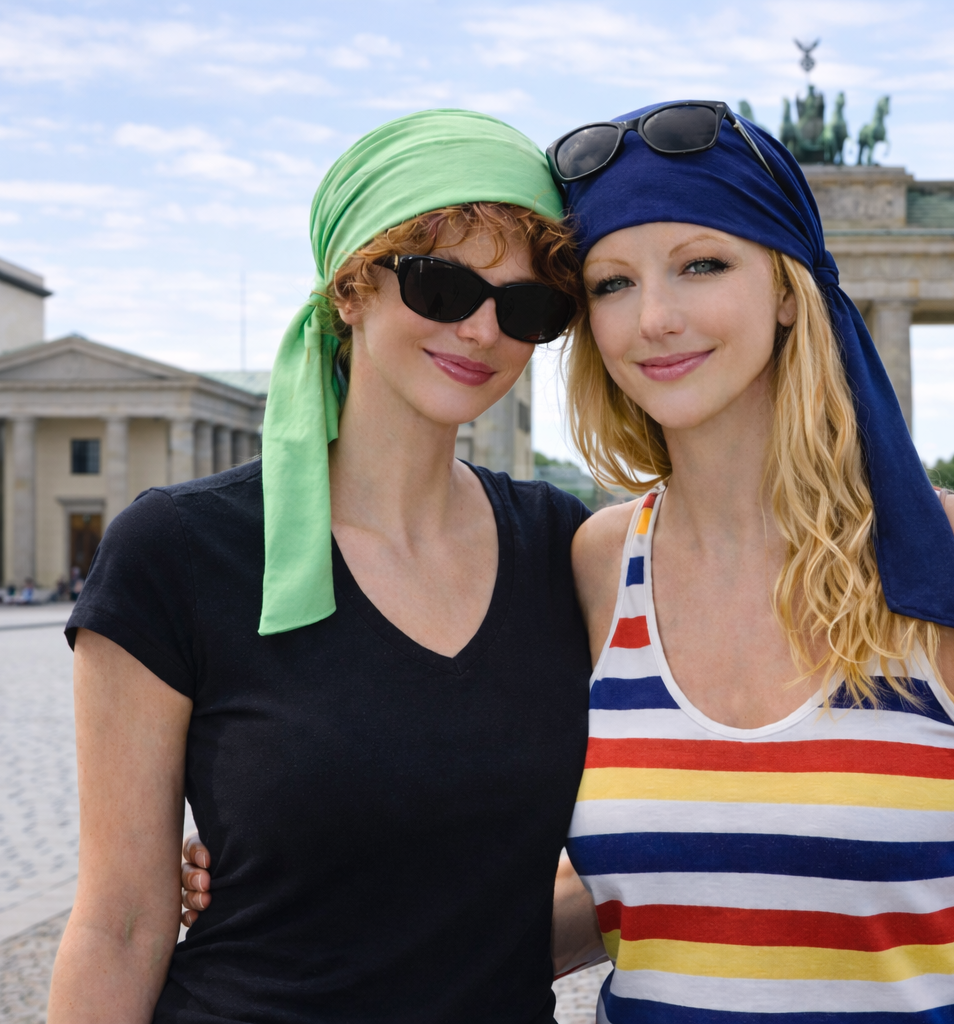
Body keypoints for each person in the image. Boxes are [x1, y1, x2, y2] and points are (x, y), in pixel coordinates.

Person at [185, 99, 954, 1022]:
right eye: (613, 283)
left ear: (790, 290)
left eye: (702, 264)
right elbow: (615, 888)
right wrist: (300, 870)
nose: (655, 319)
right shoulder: (594, 565)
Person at [49, 110, 594, 1022]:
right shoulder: (179, 551)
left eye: (529, 306)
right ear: (351, 288)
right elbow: (120, 924)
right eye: (441, 284)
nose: (483, 331)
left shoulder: (560, 547)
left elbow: (552, 904)